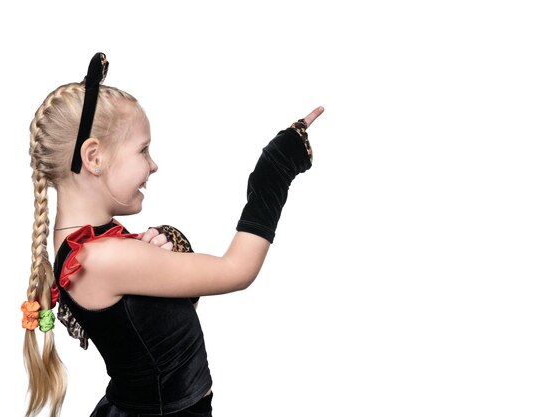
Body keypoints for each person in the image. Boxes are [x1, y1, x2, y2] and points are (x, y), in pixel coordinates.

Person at [22, 52, 324, 417]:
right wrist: (274, 171)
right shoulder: (102, 257)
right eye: (143, 150)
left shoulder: (91, 245)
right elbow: (237, 270)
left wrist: (169, 248)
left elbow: (161, 329)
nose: (153, 164)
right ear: (94, 157)